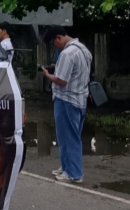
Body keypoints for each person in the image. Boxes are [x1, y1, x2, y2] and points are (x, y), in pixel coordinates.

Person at [42, 26, 93, 184]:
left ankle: (73, 173)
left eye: (53, 43)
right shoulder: (84, 50)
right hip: (80, 98)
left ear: (58, 38)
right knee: (68, 136)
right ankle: (67, 167)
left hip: (66, 99)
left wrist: (48, 75)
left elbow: (61, 80)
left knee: (68, 137)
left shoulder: (67, 54)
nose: (54, 47)